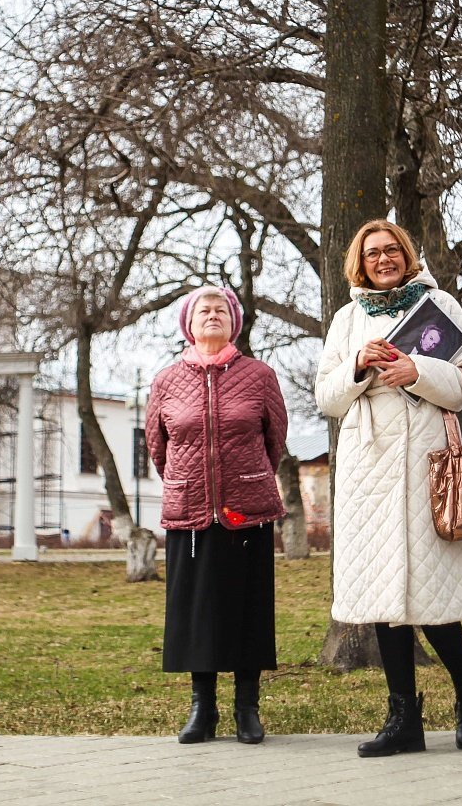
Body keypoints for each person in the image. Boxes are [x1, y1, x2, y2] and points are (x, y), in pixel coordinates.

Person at [316, 219, 462, 757]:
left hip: (424, 464)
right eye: (373, 254)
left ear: (407, 255)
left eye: (392, 250)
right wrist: (359, 366)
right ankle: (402, 718)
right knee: (381, 596)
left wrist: (416, 371)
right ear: (359, 263)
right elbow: (326, 397)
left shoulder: (441, 306)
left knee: (429, 594)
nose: (384, 259)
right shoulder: (347, 319)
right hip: (368, 471)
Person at [147, 285, 288, 745]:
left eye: (221, 310)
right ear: (188, 323)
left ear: (235, 321)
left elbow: (275, 441)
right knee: (197, 612)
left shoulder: (259, 375)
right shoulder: (166, 380)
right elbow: (158, 447)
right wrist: (190, 481)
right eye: (204, 310)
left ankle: (247, 707)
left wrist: (244, 478)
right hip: (189, 511)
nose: (213, 315)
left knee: (248, 609)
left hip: (246, 511)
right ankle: (201, 709)